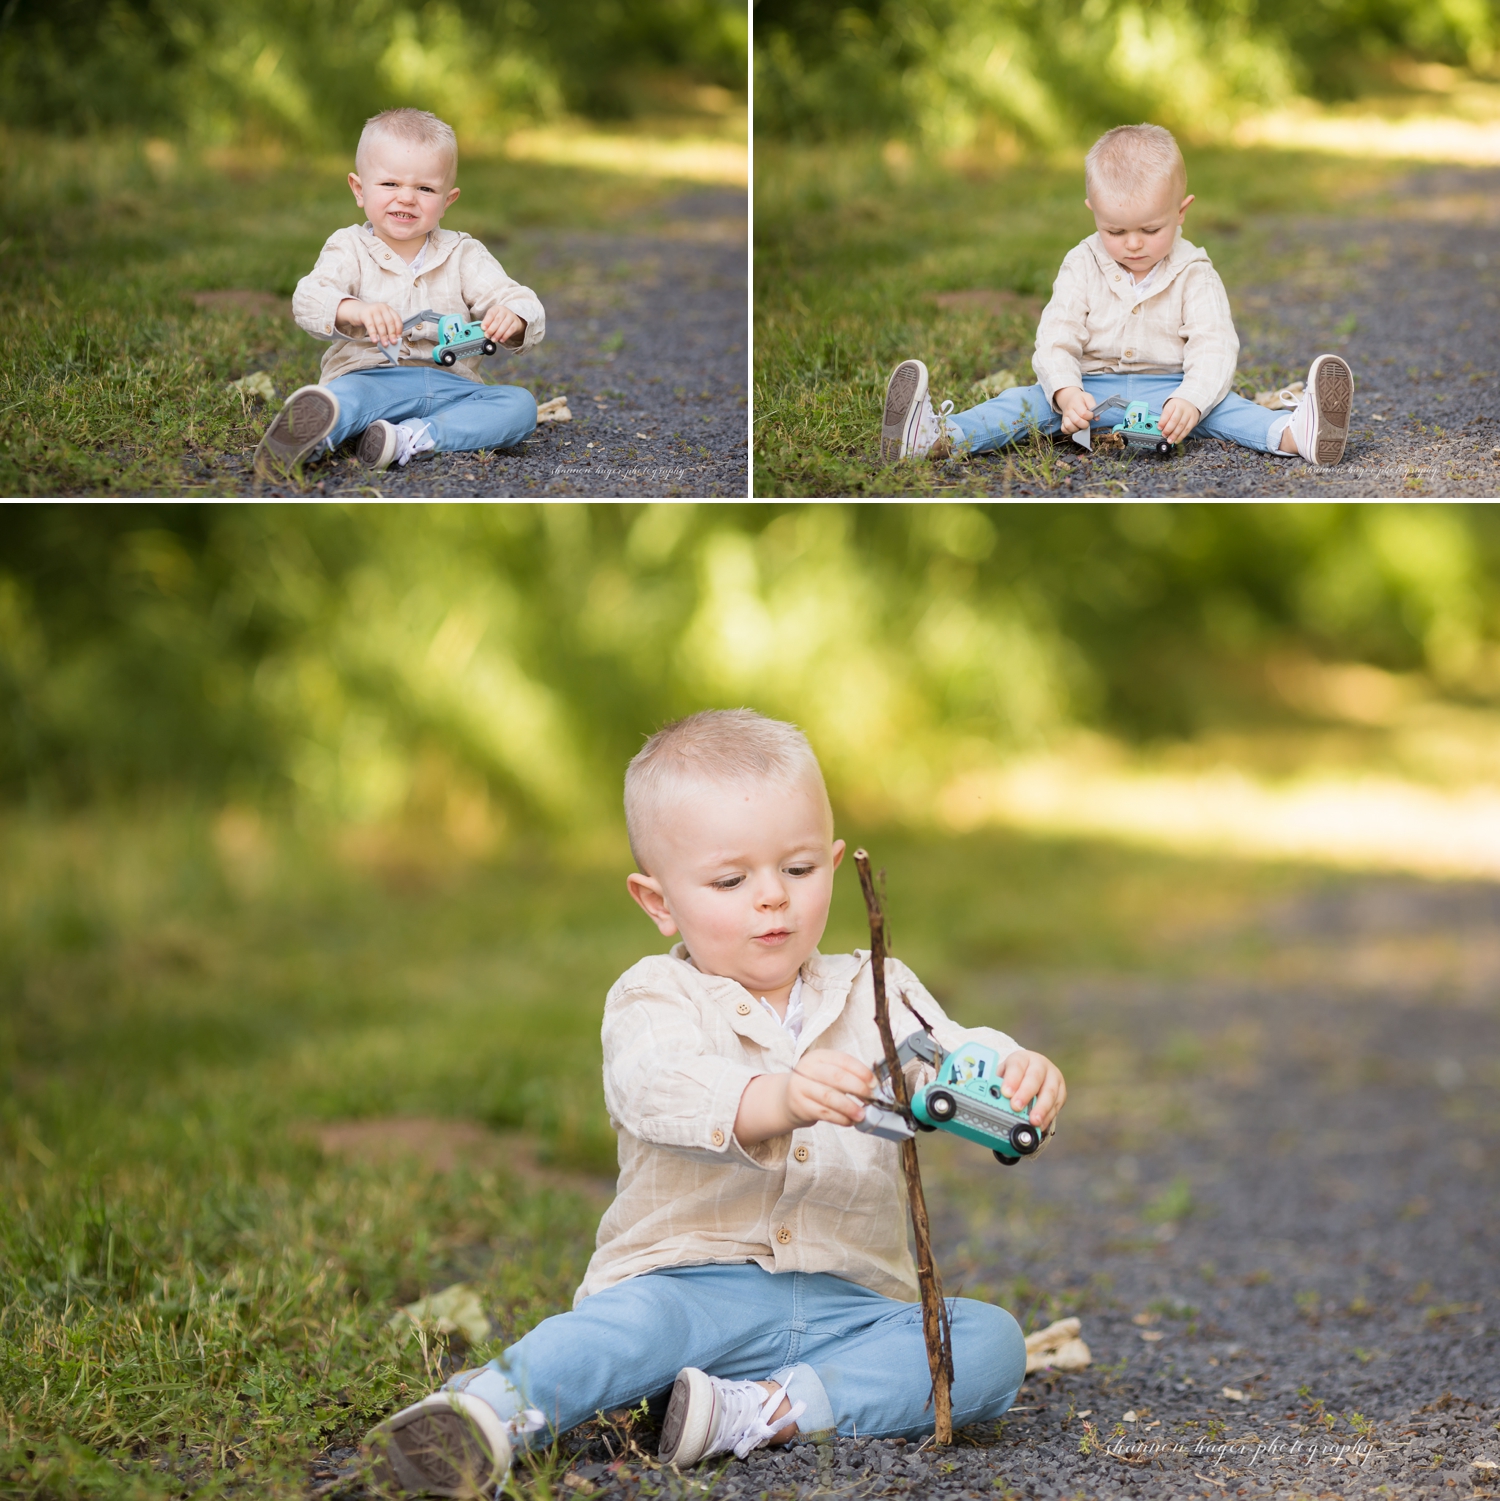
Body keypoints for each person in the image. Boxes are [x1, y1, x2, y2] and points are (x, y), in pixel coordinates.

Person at [363, 709, 1068, 1495]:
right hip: (688, 1290)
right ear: (658, 900)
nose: (772, 898)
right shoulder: (655, 995)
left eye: (799, 868)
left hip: (851, 1307)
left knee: (986, 1342)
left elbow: (954, 1050)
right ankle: (483, 1412)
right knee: (619, 1331)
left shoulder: (878, 988)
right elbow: (658, 1090)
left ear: (835, 863)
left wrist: (1015, 1070)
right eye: (732, 881)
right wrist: (778, 1096)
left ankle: (756, 1410)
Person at [880, 122, 1353, 467]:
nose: (1132, 244)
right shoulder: (1081, 263)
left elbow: (1214, 345)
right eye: (1115, 230)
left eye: (1150, 229)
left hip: (1170, 393)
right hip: (1089, 390)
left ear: (1181, 211)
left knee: (1229, 407)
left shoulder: (1195, 272)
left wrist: (1192, 399)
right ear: (1094, 212)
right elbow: (1057, 335)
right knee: (1019, 404)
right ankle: (935, 437)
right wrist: (1065, 392)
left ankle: (1297, 434)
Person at [253, 107, 544, 479]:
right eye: (390, 184)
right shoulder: (349, 247)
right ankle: (308, 437)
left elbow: (517, 297)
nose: (406, 198)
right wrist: (356, 311)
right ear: (359, 190)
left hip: (451, 388)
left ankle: (408, 438)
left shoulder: (463, 253)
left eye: (425, 189)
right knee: (345, 400)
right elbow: (309, 298)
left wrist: (514, 316)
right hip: (371, 380)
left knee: (519, 405)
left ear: (447, 200)